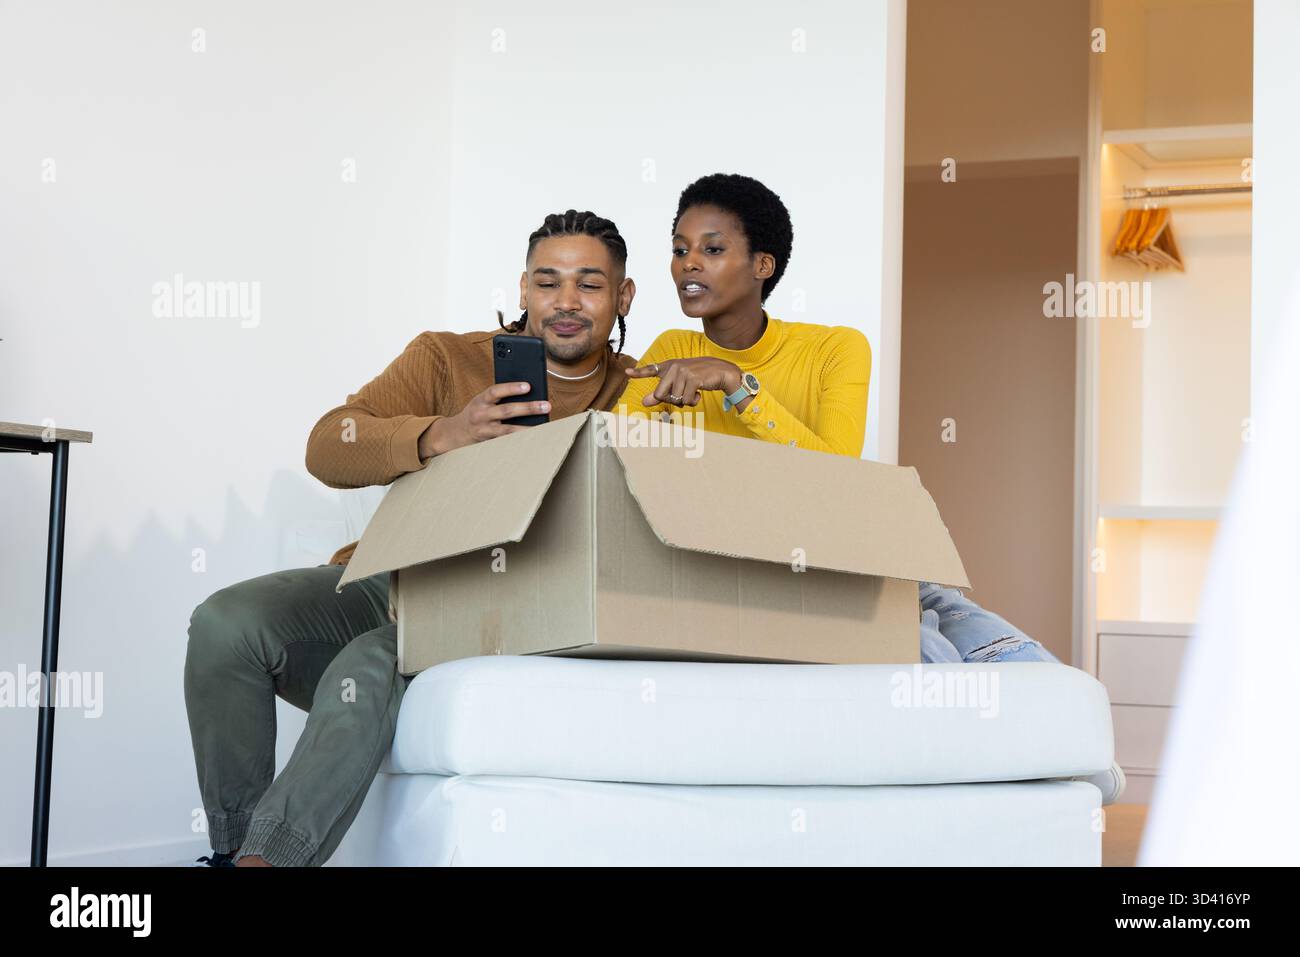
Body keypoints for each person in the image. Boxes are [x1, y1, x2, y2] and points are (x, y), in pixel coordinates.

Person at [184, 209, 638, 866]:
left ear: (623, 296)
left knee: (368, 664)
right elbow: (328, 445)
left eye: (590, 285)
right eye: (548, 282)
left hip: (499, 609)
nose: (566, 303)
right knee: (226, 622)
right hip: (390, 581)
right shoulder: (447, 358)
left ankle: (267, 862)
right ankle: (233, 851)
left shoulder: (641, 394)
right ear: (522, 289)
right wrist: (440, 433)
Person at [615, 172, 1060, 666]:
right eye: (680, 250)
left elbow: (834, 476)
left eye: (712, 250)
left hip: (853, 559)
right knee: (930, 657)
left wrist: (738, 386)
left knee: (1029, 669)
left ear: (763, 264)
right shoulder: (671, 353)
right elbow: (615, 459)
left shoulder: (836, 348)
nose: (689, 263)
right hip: (761, 572)